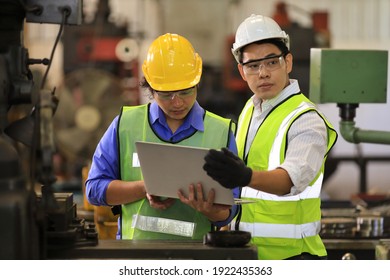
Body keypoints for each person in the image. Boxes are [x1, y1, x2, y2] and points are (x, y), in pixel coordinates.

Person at [203, 15, 338, 260]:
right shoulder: (249, 111)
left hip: (293, 256)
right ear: (241, 72)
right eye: (253, 66)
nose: (263, 73)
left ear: (288, 62)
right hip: (249, 253)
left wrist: (245, 176)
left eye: (271, 62)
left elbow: (291, 179)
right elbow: (245, 192)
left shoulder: (305, 118)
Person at [85, 33, 239, 240]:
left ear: (197, 82)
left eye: (185, 92)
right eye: (166, 94)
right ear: (150, 87)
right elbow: (94, 190)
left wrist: (207, 208)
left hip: (196, 261)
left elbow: (230, 211)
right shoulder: (125, 125)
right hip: (136, 259)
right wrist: (144, 188)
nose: (177, 103)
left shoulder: (220, 132)